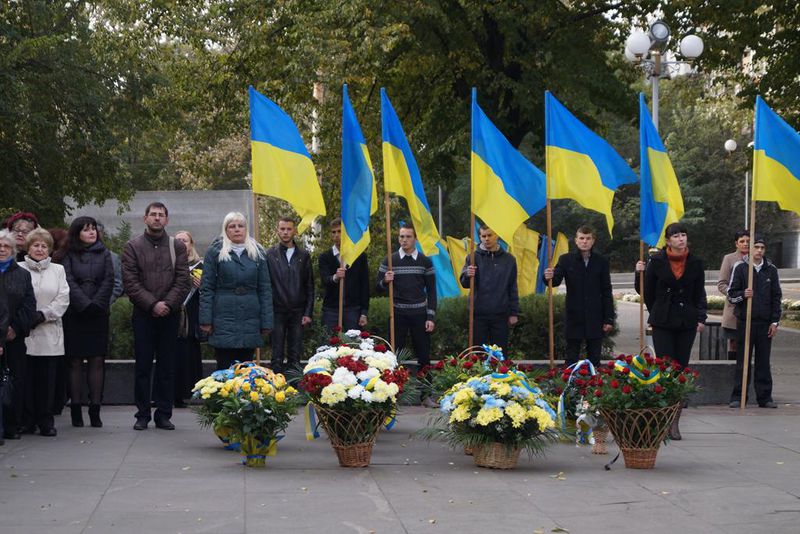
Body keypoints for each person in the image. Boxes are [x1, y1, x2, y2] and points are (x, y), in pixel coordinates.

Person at [635, 222, 707, 440]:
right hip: (663, 321)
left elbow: (698, 293)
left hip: (686, 321)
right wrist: (658, 310)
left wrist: (700, 317)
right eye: (676, 236)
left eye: (683, 235)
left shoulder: (695, 262)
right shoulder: (656, 261)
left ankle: (675, 420)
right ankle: (663, 419)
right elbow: (645, 291)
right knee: (666, 367)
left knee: (681, 370)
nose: (681, 239)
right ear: (668, 241)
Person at [122, 202, 190, 431]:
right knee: (142, 366)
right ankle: (142, 415)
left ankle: (163, 414)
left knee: (167, 366)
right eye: (153, 214)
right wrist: (152, 304)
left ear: (167, 220)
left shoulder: (177, 247)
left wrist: (167, 305)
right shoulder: (132, 247)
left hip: (169, 315)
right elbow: (130, 282)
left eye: (161, 215)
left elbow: (183, 281)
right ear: (145, 219)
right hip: (143, 314)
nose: (157, 218)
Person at [200, 213, 273, 370]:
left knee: (246, 369)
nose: (237, 229)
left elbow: (265, 289)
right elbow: (206, 288)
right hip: (223, 317)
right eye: (232, 226)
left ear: (246, 229)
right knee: (224, 369)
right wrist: (206, 320)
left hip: (250, 317)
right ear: (225, 230)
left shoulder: (258, 253)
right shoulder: (215, 252)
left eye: (240, 226)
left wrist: (267, 322)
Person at [62, 216, 115, 428]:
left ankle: (95, 409)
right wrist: (83, 303)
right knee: (74, 361)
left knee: (96, 360)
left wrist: (96, 304)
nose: (92, 232)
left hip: (98, 312)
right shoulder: (67, 254)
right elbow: (67, 280)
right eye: (86, 229)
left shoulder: (105, 253)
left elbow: (109, 279)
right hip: (75, 312)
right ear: (77, 233)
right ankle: (76, 408)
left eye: (93, 229)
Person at [19, 229, 70, 436]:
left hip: (49, 331)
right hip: (24, 332)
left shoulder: (58, 270)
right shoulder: (18, 268)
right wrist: (24, 318)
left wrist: (42, 315)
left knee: (46, 380)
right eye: (35, 245)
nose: (40, 249)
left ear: (49, 249)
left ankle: (46, 420)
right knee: (25, 378)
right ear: (28, 247)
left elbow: (63, 298)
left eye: (44, 246)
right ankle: (26, 419)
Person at [543, 226, 614, 366]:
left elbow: (606, 290)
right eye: (581, 238)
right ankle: (570, 384)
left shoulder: (601, 261)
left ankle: (594, 384)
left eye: (588, 239)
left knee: (594, 358)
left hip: (595, 316)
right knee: (571, 356)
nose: (584, 242)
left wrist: (609, 318)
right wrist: (547, 276)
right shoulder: (565, 260)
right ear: (576, 241)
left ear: (593, 241)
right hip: (574, 315)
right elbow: (555, 281)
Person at [727, 236, 781, 409]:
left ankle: (764, 397)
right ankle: (738, 395)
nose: (759, 250)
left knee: (763, 361)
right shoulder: (741, 267)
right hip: (746, 321)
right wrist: (743, 294)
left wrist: (774, 322)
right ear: (749, 248)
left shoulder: (770, 270)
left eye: (762, 247)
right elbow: (731, 293)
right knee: (743, 360)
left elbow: (776, 297)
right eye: (756, 247)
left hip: (764, 323)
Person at [376, 224, 436, 368]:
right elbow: (377, 288)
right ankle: (393, 387)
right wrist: (385, 281)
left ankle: (426, 389)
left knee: (423, 355)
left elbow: (432, 291)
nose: (404, 240)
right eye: (402, 236)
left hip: (420, 314)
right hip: (397, 314)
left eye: (408, 237)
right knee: (394, 356)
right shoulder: (390, 261)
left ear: (415, 239)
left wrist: (431, 317)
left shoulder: (425, 262)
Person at [0, 230, 36, 440]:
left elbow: (28, 304)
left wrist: (14, 328)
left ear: (13, 250)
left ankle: (13, 425)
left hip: (14, 338)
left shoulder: (22, 274)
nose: (2, 249)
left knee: (15, 381)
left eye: (6, 246)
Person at [265, 217, 313, 373]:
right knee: (276, 353)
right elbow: (265, 284)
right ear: (277, 230)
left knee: (295, 353)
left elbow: (309, 285)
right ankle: (276, 389)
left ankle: (295, 388)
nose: (285, 232)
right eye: (282, 229)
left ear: (295, 231)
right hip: (277, 310)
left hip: (298, 311)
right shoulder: (269, 254)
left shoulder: (304, 255)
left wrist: (308, 312)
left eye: (289, 229)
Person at [460, 224, 519, 350]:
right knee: (476, 353)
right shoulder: (472, 257)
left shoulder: (509, 259)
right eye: (483, 236)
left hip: (501, 314)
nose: (486, 239)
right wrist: (467, 274)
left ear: (497, 235)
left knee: (500, 354)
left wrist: (514, 313)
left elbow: (512, 287)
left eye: (490, 235)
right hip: (477, 314)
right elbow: (464, 283)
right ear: (480, 237)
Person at [318, 218, 369, 332]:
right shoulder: (325, 257)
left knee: (354, 345)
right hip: (331, 309)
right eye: (333, 232)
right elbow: (324, 280)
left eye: (340, 231)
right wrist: (335, 277)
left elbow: (364, 285)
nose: (336, 235)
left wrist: (364, 312)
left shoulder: (359, 256)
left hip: (353, 309)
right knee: (328, 344)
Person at [173, 230, 204, 406]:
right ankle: (172, 393)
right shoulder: (169, 263)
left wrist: (201, 285)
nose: (182, 243)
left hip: (191, 315)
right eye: (178, 240)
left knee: (189, 354)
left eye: (185, 240)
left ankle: (187, 392)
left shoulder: (199, 266)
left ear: (191, 244)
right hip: (172, 312)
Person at [717, 230, 750, 360]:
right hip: (734, 310)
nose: (746, 244)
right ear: (736, 244)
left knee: (749, 344)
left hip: (754, 310)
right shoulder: (729, 259)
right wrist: (735, 294)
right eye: (742, 241)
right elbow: (722, 284)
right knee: (734, 343)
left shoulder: (758, 258)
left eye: (748, 241)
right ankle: (733, 371)